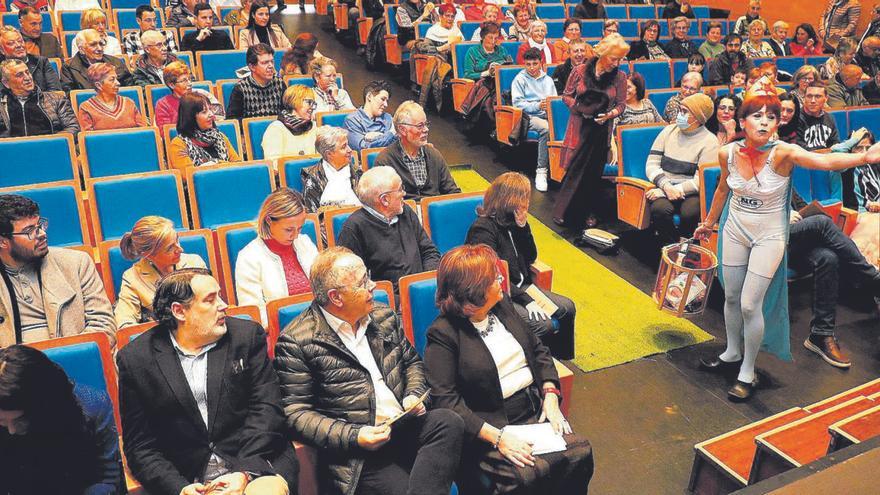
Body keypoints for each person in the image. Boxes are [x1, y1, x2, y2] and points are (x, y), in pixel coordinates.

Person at [694, 77, 880, 401]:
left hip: (770, 235)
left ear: (778, 122)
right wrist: (708, 223)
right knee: (732, 297)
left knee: (752, 305)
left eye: (771, 116)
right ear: (742, 121)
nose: (764, 122)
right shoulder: (727, 153)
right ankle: (732, 352)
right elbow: (723, 188)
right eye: (757, 115)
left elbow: (825, 162)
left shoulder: (784, 153)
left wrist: (863, 158)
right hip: (735, 230)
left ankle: (748, 370)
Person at [273, 246, 464, 495]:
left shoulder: (382, 316)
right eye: (363, 282)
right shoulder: (297, 341)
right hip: (359, 453)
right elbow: (296, 415)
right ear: (336, 297)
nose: (373, 285)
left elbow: (412, 363)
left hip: (402, 426)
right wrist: (355, 435)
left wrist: (414, 393)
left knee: (448, 421)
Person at [424, 244, 593, 494]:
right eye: (495, 278)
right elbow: (446, 401)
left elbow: (538, 350)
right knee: (524, 477)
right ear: (476, 293)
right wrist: (497, 438)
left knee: (580, 453)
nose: (503, 281)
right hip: (488, 428)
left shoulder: (502, 308)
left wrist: (550, 395)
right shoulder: (443, 333)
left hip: (535, 411)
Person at [118, 268, 298, 495]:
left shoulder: (246, 337)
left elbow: (268, 410)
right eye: (211, 300)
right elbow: (140, 446)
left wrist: (244, 472)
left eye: (220, 296)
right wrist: (178, 488)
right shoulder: (137, 359)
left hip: (258, 465)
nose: (224, 305)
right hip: (191, 479)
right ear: (179, 311)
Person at [465, 172, 576, 358]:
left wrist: (523, 228)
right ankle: (532, 365)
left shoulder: (515, 223)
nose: (527, 202)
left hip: (522, 287)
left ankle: (557, 359)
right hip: (498, 295)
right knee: (544, 325)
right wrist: (527, 300)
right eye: (524, 197)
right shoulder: (483, 229)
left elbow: (532, 257)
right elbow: (491, 277)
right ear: (510, 200)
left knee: (567, 308)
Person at [788, 158, 880, 368]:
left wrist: (807, 213)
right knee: (822, 223)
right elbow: (737, 214)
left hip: (794, 242)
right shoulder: (740, 170)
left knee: (827, 257)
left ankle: (820, 335)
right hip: (766, 239)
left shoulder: (782, 176)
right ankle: (873, 279)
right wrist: (783, 216)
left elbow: (802, 206)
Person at [0, 345, 121, 494]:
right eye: (2, 421)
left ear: (43, 407)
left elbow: (107, 478)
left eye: (20, 420)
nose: (11, 431)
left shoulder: (93, 408)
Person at [0, 195, 114, 347]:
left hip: (74, 360)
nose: (41, 234)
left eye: (40, 225)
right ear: (2, 242)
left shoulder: (76, 263)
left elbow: (104, 326)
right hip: (11, 367)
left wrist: (68, 354)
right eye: (29, 231)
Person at [553, 33, 628, 233]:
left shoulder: (620, 76)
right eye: (614, 58)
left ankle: (587, 213)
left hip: (602, 128)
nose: (617, 63)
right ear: (603, 54)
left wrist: (609, 114)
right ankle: (564, 213)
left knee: (592, 175)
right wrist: (579, 108)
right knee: (574, 170)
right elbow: (566, 96)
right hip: (579, 125)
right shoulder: (579, 70)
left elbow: (621, 105)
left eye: (620, 59)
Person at [337, 166, 440, 290]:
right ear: (385, 200)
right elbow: (353, 281)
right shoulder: (353, 228)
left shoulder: (405, 211)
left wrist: (427, 282)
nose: (404, 193)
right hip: (387, 302)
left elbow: (429, 251)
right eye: (400, 189)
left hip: (423, 289)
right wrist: (396, 299)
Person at [235, 188, 319, 325]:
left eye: (300, 228)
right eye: (289, 229)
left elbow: (324, 287)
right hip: (281, 332)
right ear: (268, 220)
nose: (296, 235)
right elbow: (256, 316)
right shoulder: (248, 257)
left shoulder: (305, 242)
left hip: (318, 323)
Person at [646, 93, 719, 245]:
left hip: (690, 192)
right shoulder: (668, 131)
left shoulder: (710, 141)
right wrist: (666, 187)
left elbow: (700, 181)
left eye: (685, 112)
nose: (680, 115)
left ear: (699, 118)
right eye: (680, 110)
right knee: (660, 210)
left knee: (690, 213)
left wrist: (673, 190)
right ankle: (672, 248)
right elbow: (651, 164)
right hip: (665, 186)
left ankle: (686, 248)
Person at [114, 216, 206, 329]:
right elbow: (125, 325)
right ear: (149, 255)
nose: (180, 249)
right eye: (170, 248)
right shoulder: (132, 278)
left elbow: (211, 304)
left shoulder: (195, 262)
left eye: (177, 240)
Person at [373, 101, 461, 200]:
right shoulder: (385, 161)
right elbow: (384, 202)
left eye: (426, 124)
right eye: (420, 126)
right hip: (403, 213)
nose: (426, 129)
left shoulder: (434, 155)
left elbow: (452, 192)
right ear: (402, 130)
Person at [512, 48, 557, 192]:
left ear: (541, 63)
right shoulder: (519, 79)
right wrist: (537, 105)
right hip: (529, 117)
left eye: (535, 64)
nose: (531, 67)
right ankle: (541, 170)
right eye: (528, 64)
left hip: (547, 114)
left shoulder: (548, 80)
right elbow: (518, 104)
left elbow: (554, 100)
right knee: (546, 129)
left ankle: (561, 169)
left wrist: (549, 106)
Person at [0, 59, 79, 138]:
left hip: (50, 147)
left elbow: (73, 127)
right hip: (12, 149)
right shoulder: (2, 105)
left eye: (27, 72)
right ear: (6, 83)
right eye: (19, 75)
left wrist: (49, 142)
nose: (27, 78)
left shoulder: (57, 100)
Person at [169, 92, 242, 170]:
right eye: (204, 112)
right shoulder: (178, 144)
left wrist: (215, 163)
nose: (211, 115)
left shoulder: (220, 136)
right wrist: (220, 165)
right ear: (190, 117)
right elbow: (188, 175)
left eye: (210, 109)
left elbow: (238, 165)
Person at [301, 126, 363, 213]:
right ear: (329, 154)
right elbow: (312, 214)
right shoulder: (313, 177)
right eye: (343, 147)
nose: (350, 150)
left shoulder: (358, 173)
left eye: (348, 145)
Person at [154, 61, 225, 130]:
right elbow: (166, 132)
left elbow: (220, 118)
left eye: (190, 79)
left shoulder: (203, 94)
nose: (189, 83)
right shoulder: (163, 104)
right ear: (172, 85)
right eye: (184, 80)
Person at [77, 63, 149, 131]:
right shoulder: (86, 108)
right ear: (98, 85)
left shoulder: (129, 102)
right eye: (112, 80)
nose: (118, 83)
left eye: (116, 79)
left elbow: (142, 132)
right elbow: (89, 140)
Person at [226, 44, 287, 121]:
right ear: (252, 67)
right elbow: (232, 120)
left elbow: (287, 113)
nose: (271, 66)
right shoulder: (240, 88)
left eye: (272, 61)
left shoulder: (280, 84)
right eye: (265, 63)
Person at [61, 29, 132, 92]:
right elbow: (71, 97)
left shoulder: (116, 62)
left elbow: (129, 89)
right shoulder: (69, 68)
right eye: (93, 45)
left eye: (101, 44)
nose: (100, 48)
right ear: (81, 49)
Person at [262, 84, 318, 162]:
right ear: (294, 101)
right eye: (309, 102)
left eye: (314, 104)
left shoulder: (314, 127)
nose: (312, 107)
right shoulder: (276, 128)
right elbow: (273, 164)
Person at [0, 26, 61, 92]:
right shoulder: (1, 69)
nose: (18, 45)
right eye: (11, 43)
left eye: (20, 41)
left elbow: (55, 92)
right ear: (1, 50)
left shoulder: (41, 62)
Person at [343, 81, 396, 152]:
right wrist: (391, 134)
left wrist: (373, 137)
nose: (386, 104)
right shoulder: (352, 120)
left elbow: (394, 145)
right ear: (369, 97)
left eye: (387, 101)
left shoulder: (387, 117)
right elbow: (364, 149)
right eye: (382, 99)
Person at [797, 80, 840, 151]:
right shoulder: (797, 118)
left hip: (827, 158)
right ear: (804, 98)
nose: (813, 101)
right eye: (809, 96)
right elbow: (799, 149)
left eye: (818, 96)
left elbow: (835, 143)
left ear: (826, 98)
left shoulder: (829, 117)